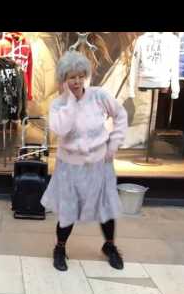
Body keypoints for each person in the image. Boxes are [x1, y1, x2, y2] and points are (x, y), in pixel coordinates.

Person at [41, 51, 128, 271]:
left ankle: (109, 246)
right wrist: (71, 102)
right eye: (72, 77)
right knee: (68, 210)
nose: (77, 81)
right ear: (64, 79)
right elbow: (61, 129)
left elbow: (120, 115)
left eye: (81, 76)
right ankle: (59, 249)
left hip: (100, 165)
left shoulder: (99, 96)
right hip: (70, 168)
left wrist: (114, 144)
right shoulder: (58, 105)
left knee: (105, 207)